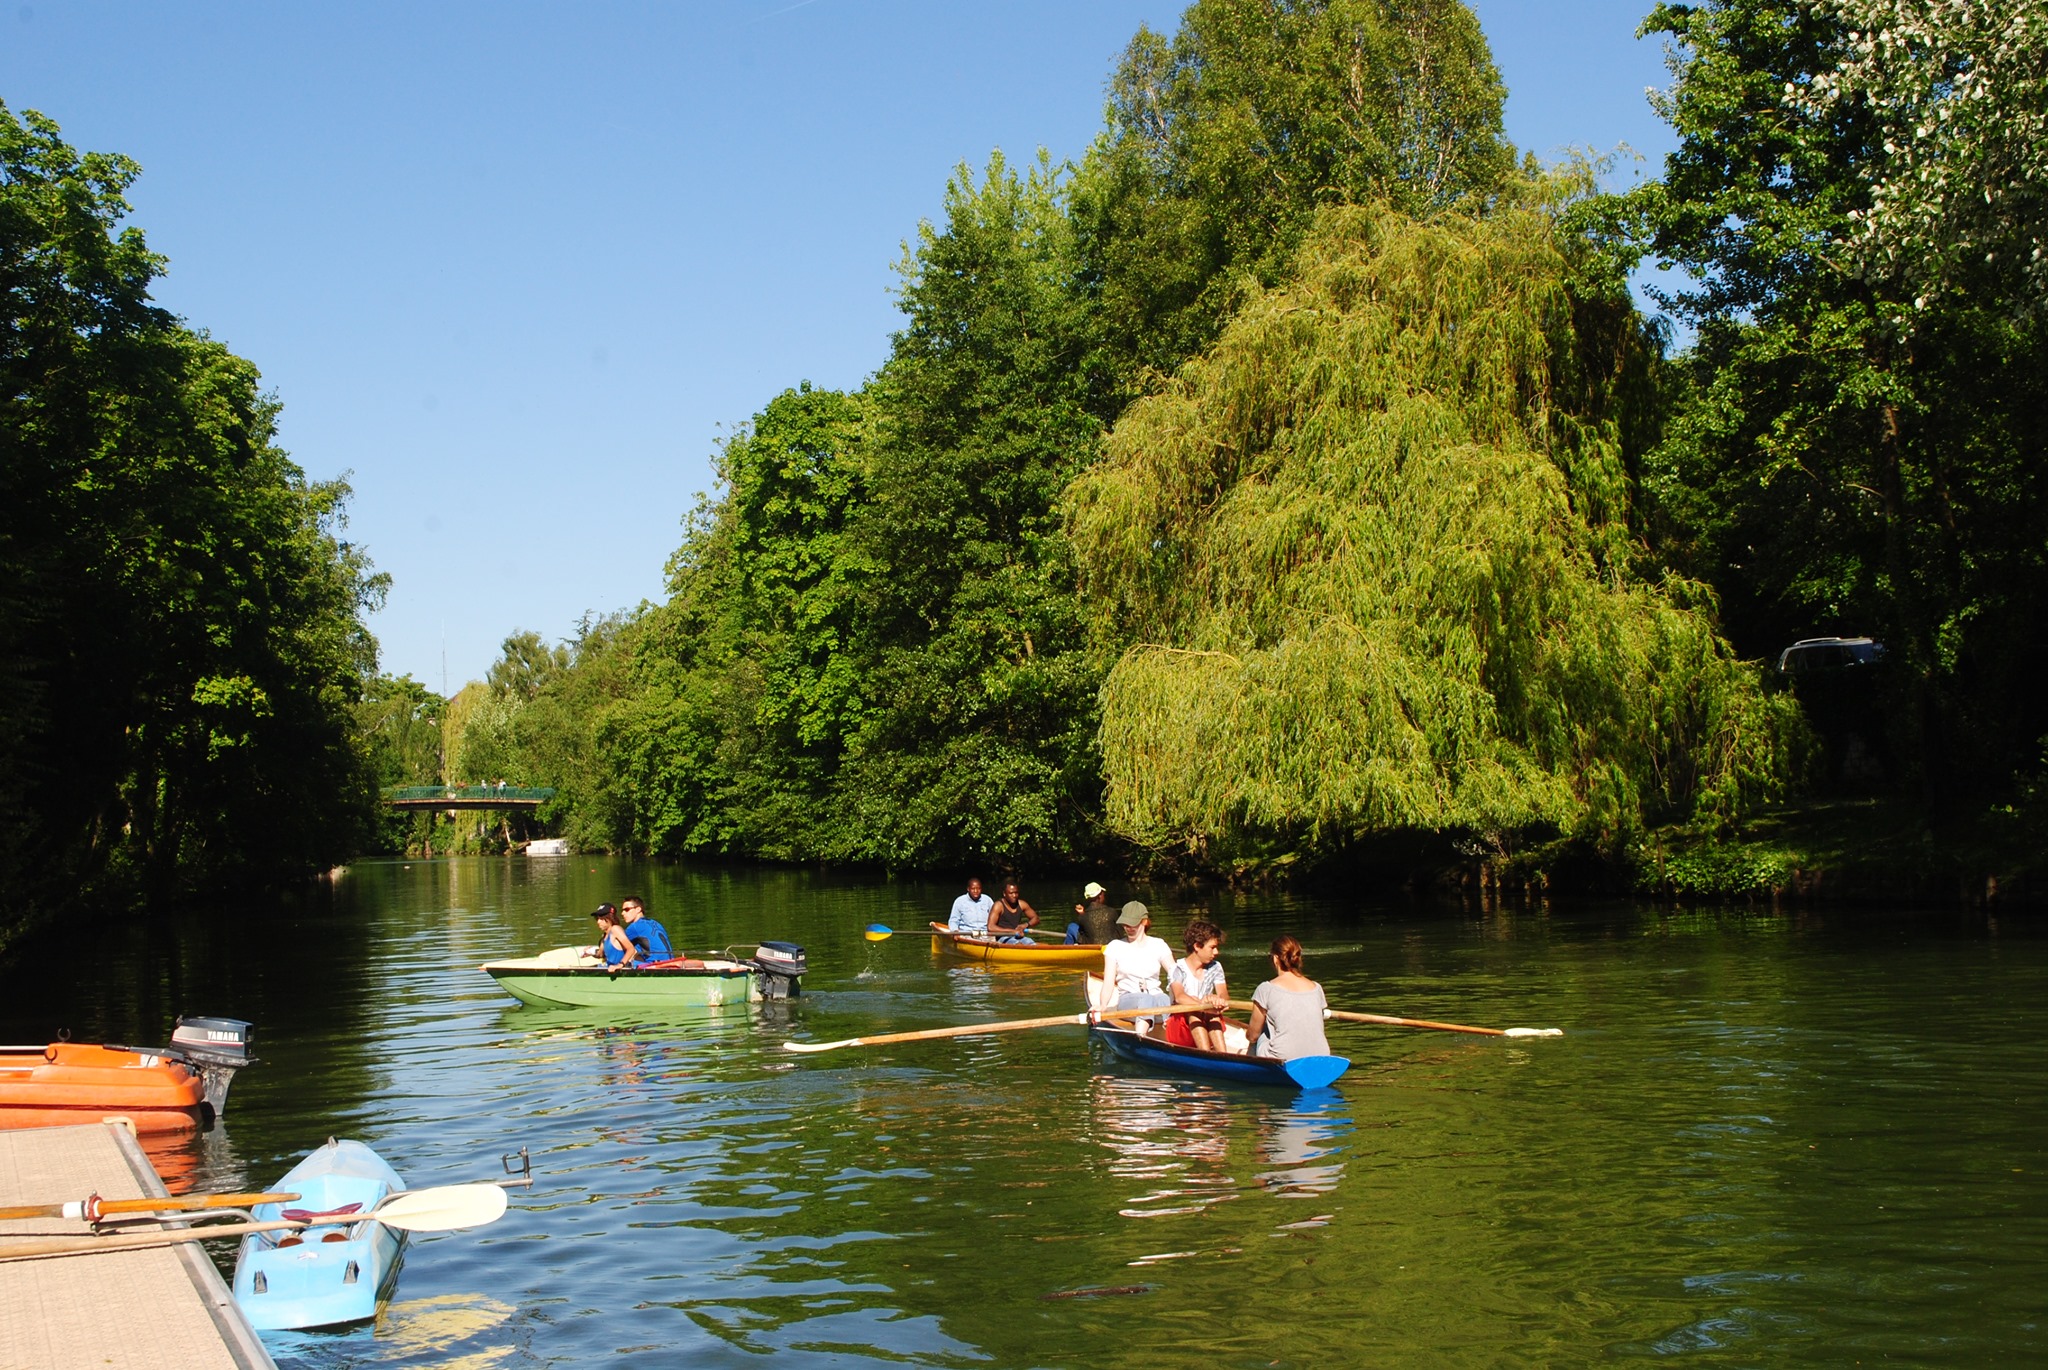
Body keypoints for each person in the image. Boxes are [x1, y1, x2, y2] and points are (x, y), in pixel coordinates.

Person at [1242, 934, 1330, 1060]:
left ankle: (1249, 1068)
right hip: (1322, 1054)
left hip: (1282, 1057)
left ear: (1275, 958)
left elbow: (1253, 1036)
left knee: (1263, 1030)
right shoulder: (1317, 988)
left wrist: (1249, 1036)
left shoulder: (1266, 989)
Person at [1099, 901, 1175, 1024]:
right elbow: (1108, 982)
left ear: (1144, 922)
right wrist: (1102, 1005)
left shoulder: (1159, 944)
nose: (1128, 928)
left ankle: (1170, 1028)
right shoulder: (1114, 947)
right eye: (1125, 924)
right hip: (1128, 1000)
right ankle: (1141, 1035)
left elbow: (1175, 975)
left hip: (1156, 998)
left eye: (1132, 924)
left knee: (1164, 998)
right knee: (1146, 999)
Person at [1165, 919, 1231, 1051]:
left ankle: (1224, 1055)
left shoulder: (1215, 967)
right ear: (1197, 946)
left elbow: (1224, 996)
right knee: (1193, 1010)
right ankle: (1205, 1054)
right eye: (1212, 948)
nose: (1216, 952)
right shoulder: (1177, 969)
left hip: (1207, 1018)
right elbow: (1180, 997)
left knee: (1213, 1014)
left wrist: (1217, 1000)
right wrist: (1204, 1005)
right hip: (1180, 1027)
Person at [619, 896, 675, 963]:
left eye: (627, 909)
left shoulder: (635, 927)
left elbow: (616, 946)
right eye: (622, 910)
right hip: (671, 961)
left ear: (638, 909)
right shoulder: (656, 923)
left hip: (656, 965)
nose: (622, 913)